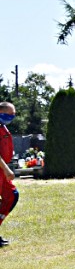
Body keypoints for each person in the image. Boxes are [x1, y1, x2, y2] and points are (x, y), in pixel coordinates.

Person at [0, 102, 21, 247]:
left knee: (12, 195)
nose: (11, 117)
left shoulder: (3, 127)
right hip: (2, 168)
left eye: (13, 115)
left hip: (2, 170)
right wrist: (7, 169)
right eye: (8, 114)